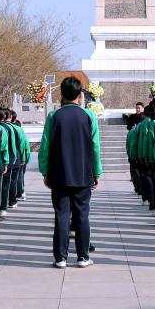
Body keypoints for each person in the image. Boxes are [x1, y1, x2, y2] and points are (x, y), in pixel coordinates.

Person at [39, 76, 101, 267]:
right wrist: (96, 172)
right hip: (83, 173)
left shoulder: (53, 116)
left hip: (59, 173)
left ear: (62, 94)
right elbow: (95, 147)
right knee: (82, 215)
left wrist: (45, 171)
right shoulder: (88, 116)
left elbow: (45, 147)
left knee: (61, 215)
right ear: (80, 94)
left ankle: (60, 257)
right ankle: (83, 256)